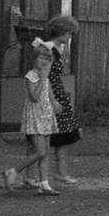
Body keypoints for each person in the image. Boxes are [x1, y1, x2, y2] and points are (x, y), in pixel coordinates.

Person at [3, 42, 59, 195]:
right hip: (35, 117)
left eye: (47, 59)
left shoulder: (45, 77)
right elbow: (34, 97)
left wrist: (55, 104)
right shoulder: (31, 76)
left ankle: (44, 183)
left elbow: (49, 94)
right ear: (35, 59)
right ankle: (13, 170)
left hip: (46, 116)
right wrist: (42, 79)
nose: (44, 62)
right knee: (40, 151)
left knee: (45, 151)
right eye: (42, 58)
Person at [44, 15, 82, 184]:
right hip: (51, 93)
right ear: (59, 32)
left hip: (58, 92)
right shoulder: (50, 49)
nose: (69, 37)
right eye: (67, 34)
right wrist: (52, 99)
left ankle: (60, 171)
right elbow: (47, 77)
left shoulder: (58, 48)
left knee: (64, 133)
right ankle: (36, 174)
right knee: (47, 134)